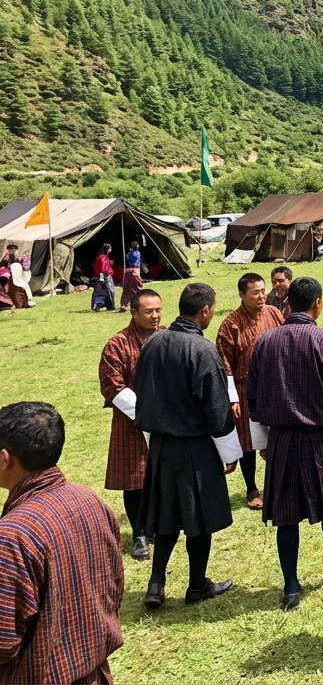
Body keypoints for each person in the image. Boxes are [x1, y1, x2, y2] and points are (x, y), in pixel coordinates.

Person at [245, 277, 323, 610]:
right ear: (318, 304)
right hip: (320, 438)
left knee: (285, 513)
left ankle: (291, 587)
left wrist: (262, 441)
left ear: (287, 304)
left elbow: (253, 396)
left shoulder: (265, 341)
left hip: (281, 438)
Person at [134, 283, 242, 608]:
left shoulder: (153, 342)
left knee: (166, 514)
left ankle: (156, 583)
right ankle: (197, 585)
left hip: (162, 445)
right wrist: (230, 452)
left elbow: (142, 389)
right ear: (205, 310)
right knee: (200, 516)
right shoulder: (203, 349)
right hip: (195, 446)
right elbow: (217, 408)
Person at [0, 402, 123, 683]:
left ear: (5, 458)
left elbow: (3, 643)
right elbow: (113, 589)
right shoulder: (90, 501)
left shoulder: (12, 537)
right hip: (94, 673)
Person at [98, 288, 163, 560]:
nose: (155, 316)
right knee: (135, 479)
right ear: (133, 312)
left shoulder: (168, 337)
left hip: (166, 420)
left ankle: (159, 525)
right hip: (131, 421)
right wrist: (145, 413)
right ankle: (138, 533)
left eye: (158, 310)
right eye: (148, 311)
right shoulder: (118, 344)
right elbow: (112, 384)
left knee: (162, 475)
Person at [215, 273, 286, 511]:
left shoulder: (274, 313)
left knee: (276, 436)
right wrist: (232, 397)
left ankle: (275, 485)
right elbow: (224, 364)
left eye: (263, 291)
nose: (261, 296)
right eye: (255, 292)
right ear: (241, 294)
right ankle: (251, 488)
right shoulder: (231, 324)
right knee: (248, 441)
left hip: (274, 386)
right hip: (244, 389)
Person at [119, 241, 143, 310]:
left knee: (126, 288)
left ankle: (124, 304)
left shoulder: (129, 254)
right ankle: (140, 302)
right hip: (135, 271)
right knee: (137, 287)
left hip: (127, 270)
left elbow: (127, 258)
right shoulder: (138, 253)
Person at [92, 244, 116, 312]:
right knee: (109, 291)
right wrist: (102, 274)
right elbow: (103, 267)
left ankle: (101, 305)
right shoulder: (103, 258)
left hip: (101, 276)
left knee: (101, 291)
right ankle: (109, 305)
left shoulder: (101, 257)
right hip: (105, 276)